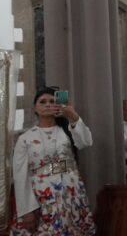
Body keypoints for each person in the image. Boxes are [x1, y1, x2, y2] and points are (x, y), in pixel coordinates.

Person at [10, 87, 95, 235]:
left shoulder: (66, 130)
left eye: (52, 101)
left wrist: (73, 116)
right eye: (43, 101)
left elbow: (86, 141)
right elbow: (20, 175)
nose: (48, 104)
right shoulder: (26, 138)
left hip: (70, 191)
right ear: (35, 108)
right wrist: (27, 209)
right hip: (41, 195)